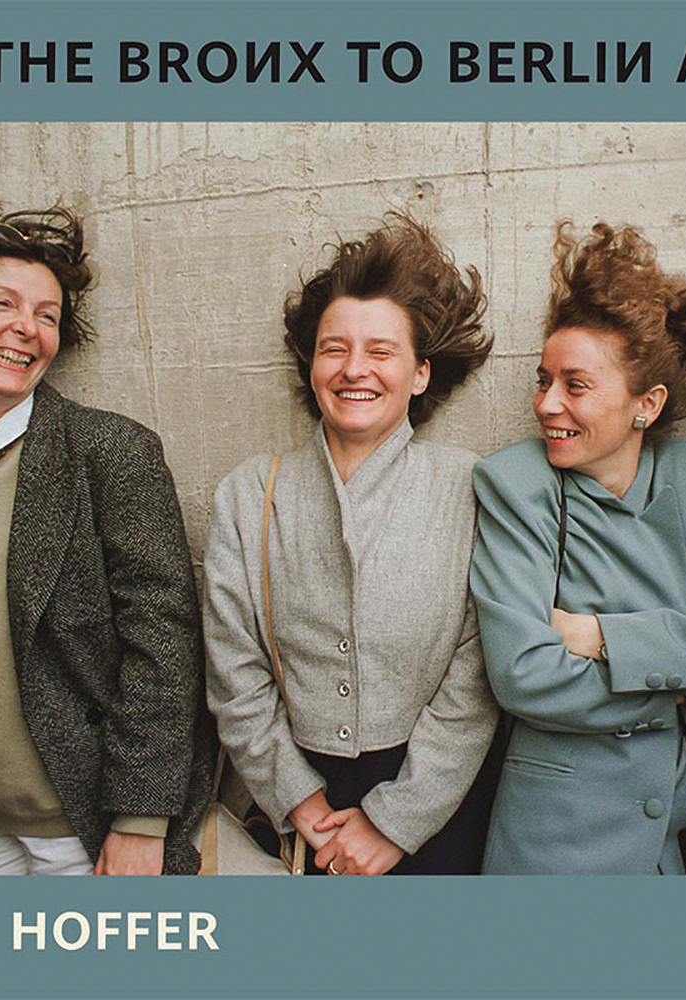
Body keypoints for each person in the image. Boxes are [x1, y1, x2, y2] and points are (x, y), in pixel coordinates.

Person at [0, 199, 212, 875]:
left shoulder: (111, 453)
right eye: (1, 303)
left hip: (87, 833)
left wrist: (142, 817)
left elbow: (163, 643)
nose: (25, 329)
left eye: (47, 314)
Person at [470, 221, 686, 875]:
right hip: (563, 832)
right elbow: (523, 674)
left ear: (647, 404)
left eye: (575, 386)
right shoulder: (514, 485)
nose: (546, 404)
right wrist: (678, 688)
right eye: (542, 379)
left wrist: (598, 637)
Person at [202, 214, 499, 875]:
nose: (354, 369)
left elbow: (476, 675)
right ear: (310, 365)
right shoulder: (248, 495)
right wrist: (299, 801)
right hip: (293, 804)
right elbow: (233, 671)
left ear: (420, 374)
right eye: (333, 348)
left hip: (439, 806)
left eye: (381, 351)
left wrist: (398, 819)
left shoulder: (469, 488)